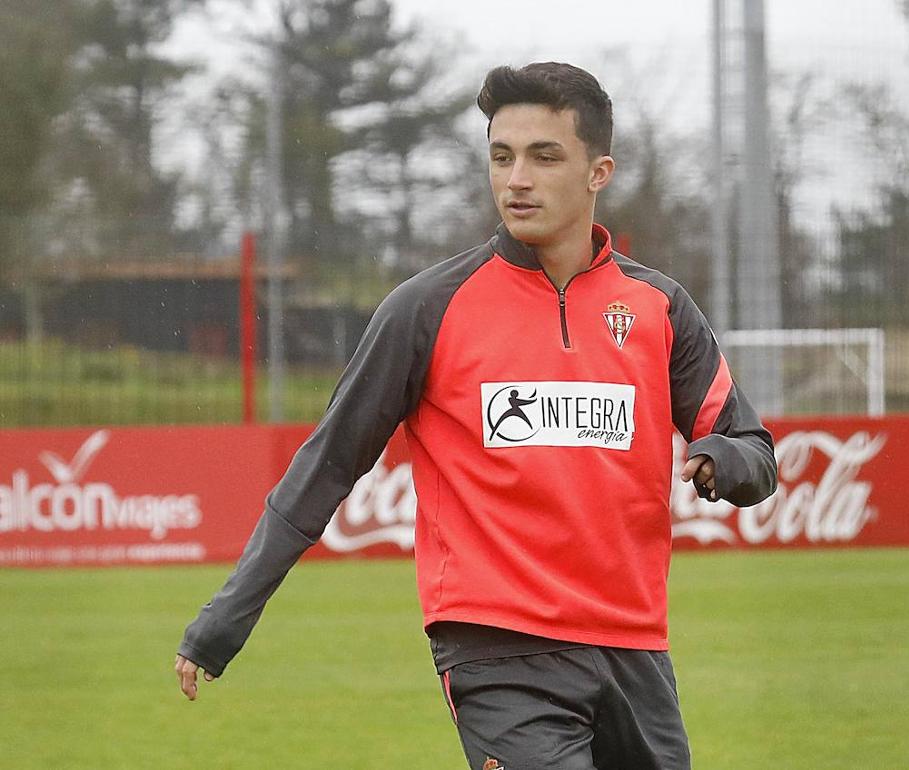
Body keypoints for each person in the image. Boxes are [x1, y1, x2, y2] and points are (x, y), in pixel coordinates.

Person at [175, 61, 777, 770]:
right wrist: (225, 618)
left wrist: (724, 459)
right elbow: (327, 466)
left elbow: (755, 449)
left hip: (635, 647)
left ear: (598, 172)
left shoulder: (660, 309)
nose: (516, 178)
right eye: (501, 156)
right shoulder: (425, 309)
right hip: (497, 652)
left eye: (543, 156)